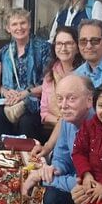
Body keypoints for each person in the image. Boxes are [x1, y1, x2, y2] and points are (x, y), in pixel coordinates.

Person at [22, 74, 94, 204]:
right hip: (74, 187)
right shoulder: (68, 120)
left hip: (92, 195)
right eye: (60, 99)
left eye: (71, 99)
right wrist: (55, 169)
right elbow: (62, 156)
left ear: (89, 100)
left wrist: (44, 179)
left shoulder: (97, 128)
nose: (63, 105)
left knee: (53, 198)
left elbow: (86, 184)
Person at [0, 8, 51, 142]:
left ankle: (27, 153)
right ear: (8, 28)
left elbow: (49, 83)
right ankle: (5, 151)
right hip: (10, 101)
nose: (19, 28)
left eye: (23, 23)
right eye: (14, 24)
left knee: (26, 122)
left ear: (29, 25)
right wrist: (6, 92)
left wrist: (26, 93)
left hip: (35, 100)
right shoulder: (4, 52)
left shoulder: (43, 48)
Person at [31, 26, 83, 160]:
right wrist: (62, 121)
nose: (63, 48)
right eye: (59, 43)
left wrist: (66, 122)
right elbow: (44, 113)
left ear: (77, 47)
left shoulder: (83, 74)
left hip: (78, 132)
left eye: (68, 43)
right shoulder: (50, 74)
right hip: (52, 129)